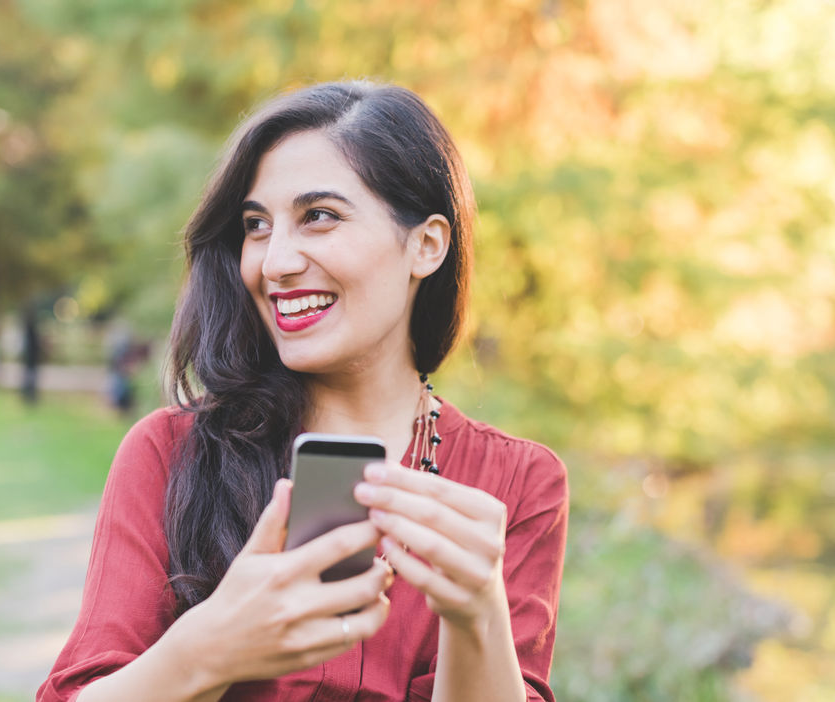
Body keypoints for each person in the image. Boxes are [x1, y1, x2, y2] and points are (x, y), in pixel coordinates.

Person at [37, 81, 568, 702]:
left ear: (425, 245)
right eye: (256, 226)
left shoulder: (516, 483)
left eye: (319, 216)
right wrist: (209, 647)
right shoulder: (168, 453)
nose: (274, 261)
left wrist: (476, 614)